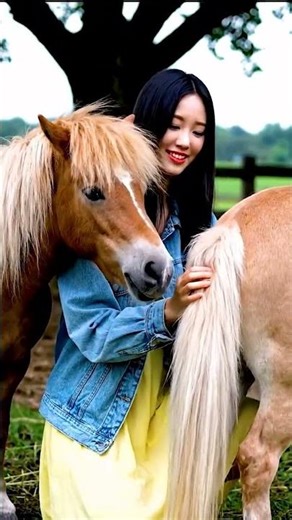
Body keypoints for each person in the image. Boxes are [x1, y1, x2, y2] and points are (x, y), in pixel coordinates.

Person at [38, 68, 257, 519]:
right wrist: (170, 310)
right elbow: (94, 334)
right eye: (175, 124)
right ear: (147, 124)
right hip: (94, 420)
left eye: (198, 131)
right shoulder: (98, 216)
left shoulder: (203, 226)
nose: (185, 141)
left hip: (165, 417)